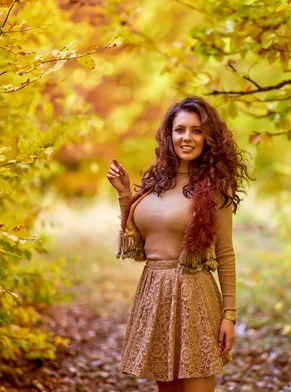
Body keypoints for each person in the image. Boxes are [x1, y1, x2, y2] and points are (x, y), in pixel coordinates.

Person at [106, 96, 254, 392]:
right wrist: (125, 194)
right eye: (180, 129)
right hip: (155, 295)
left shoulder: (214, 188)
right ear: (169, 135)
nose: (187, 137)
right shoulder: (155, 183)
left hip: (195, 296)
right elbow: (141, 241)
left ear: (208, 138)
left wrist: (229, 316)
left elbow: (225, 253)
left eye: (197, 130)